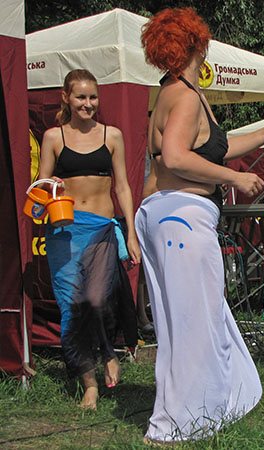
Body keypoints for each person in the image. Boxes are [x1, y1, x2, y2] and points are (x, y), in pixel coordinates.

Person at [136, 7, 264, 443]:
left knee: (191, 318)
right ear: (199, 44)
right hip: (182, 219)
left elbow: (213, 147)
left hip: (169, 216)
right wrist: (234, 178)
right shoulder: (186, 96)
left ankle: (202, 407)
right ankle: (179, 422)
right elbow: (176, 157)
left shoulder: (175, 91)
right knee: (194, 322)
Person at [38, 69, 141, 410]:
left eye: (93, 97)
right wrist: (46, 193)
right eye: (80, 97)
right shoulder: (53, 137)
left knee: (96, 299)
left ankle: (108, 352)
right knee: (71, 305)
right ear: (66, 98)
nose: (88, 103)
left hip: (99, 228)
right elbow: (40, 186)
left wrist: (131, 232)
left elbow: (122, 186)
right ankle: (89, 384)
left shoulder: (112, 135)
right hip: (64, 231)